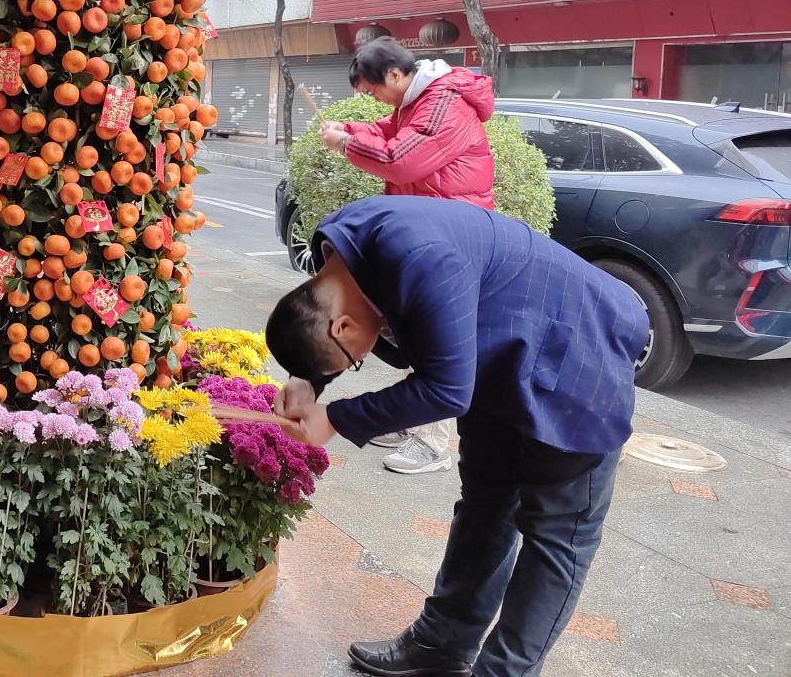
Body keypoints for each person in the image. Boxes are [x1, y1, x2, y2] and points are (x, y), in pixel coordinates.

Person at [266, 195, 646, 677]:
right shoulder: (337, 251)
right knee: (487, 503)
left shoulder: (423, 258)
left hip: (578, 353)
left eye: (352, 361)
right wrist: (309, 380)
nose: (361, 359)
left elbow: (445, 392)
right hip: (495, 356)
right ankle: (440, 645)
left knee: (556, 537)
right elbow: (334, 327)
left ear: (340, 325)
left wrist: (335, 418)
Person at [318, 38, 496, 475]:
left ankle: (434, 442)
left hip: (453, 239)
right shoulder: (414, 103)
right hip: (432, 232)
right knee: (415, 327)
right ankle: (413, 419)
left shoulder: (444, 104)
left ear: (394, 75)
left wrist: (345, 145)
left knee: (438, 336)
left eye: (373, 90)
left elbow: (401, 160)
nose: (374, 99)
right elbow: (385, 132)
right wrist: (349, 129)